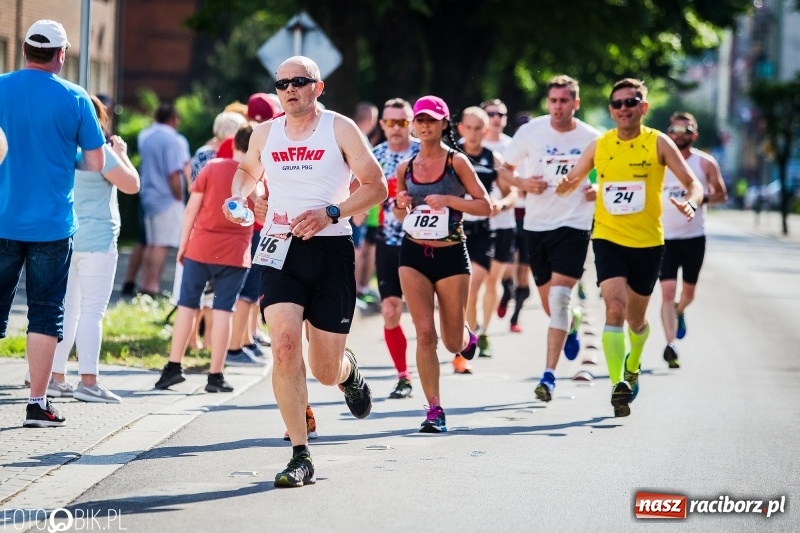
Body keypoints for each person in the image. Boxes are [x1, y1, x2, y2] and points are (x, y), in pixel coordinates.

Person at [226, 56, 387, 488]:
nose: (289, 89)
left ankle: (348, 373)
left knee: (324, 368)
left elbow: (377, 186)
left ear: (318, 87)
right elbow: (246, 171)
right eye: (282, 84)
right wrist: (247, 197)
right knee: (282, 345)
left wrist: (331, 211)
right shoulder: (264, 132)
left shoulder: (340, 128)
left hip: (331, 248)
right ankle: (300, 454)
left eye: (299, 82)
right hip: (279, 248)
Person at [555, 78, 703, 417]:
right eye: (618, 103)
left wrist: (692, 202)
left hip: (648, 243)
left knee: (636, 321)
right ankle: (618, 383)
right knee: (614, 310)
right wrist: (565, 187)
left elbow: (692, 184)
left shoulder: (658, 143)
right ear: (611, 110)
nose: (624, 108)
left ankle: (633, 364)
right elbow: (573, 181)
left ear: (643, 108)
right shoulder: (600, 145)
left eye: (631, 102)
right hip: (608, 238)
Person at [0, 19, 106, 427]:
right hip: (52, 226)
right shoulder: (76, 97)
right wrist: (68, 158)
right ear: (61, 56)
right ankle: (37, 403)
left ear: (24, 49)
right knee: (45, 313)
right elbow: (95, 162)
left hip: (2, 219)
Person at [393, 95, 492, 432]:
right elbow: (396, 212)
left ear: (444, 125)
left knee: (452, 343)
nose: (425, 125)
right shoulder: (404, 168)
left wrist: (449, 200)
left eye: (431, 120)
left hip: (451, 254)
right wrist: (401, 203)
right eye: (420, 120)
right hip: (413, 254)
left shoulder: (457, 163)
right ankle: (434, 409)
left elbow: (486, 206)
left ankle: (467, 336)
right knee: (424, 333)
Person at [503, 75, 601, 402]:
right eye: (553, 100)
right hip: (537, 225)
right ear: (548, 102)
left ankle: (549, 376)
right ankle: (571, 323)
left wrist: (596, 191)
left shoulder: (592, 138)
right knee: (550, 303)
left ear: (576, 102)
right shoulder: (531, 132)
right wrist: (521, 183)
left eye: (564, 101)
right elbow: (503, 167)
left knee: (559, 299)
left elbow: (608, 178)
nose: (558, 106)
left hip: (574, 225)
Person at [49, 96, 140, 403]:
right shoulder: (99, 153)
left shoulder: (61, 150)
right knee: (92, 312)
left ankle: (56, 377)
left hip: (66, 236)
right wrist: (123, 154)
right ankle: (89, 381)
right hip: (98, 241)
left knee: (67, 310)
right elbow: (132, 185)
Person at [155, 125, 256, 393]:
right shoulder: (259, 178)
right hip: (235, 254)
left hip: (200, 248)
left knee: (187, 306)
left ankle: (173, 368)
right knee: (224, 310)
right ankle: (215, 376)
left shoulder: (212, 168)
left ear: (234, 143)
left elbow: (191, 210)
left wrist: (183, 245)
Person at [659, 112, 728, 368]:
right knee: (666, 290)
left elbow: (722, 195)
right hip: (664, 237)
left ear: (694, 135)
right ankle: (670, 344)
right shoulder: (660, 162)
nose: (679, 134)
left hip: (693, 238)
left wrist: (700, 200)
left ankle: (680, 310)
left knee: (688, 293)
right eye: (674, 129)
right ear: (669, 132)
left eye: (685, 130)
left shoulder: (705, 163)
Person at [370, 98, 420, 398]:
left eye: (402, 122)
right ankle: (404, 376)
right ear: (382, 125)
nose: (396, 128)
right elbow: (354, 188)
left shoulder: (424, 153)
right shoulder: (374, 157)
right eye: (390, 122)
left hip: (424, 244)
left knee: (423, 317)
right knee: (390, 311)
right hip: (388, 243)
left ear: (411, 122)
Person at [459, 106, 516, 363]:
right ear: (461, 128)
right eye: (468, 128)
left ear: (486, 130)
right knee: (468, 289)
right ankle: (470, 333)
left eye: (478, 129)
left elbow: (512, 190)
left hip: (485, 229)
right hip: (456, 228)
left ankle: (480, 334)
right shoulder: (452, 153)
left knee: (482, 283)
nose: (472, 134)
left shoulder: (493, 158)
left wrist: (501, 205)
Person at [133, 103, 190, 296]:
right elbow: (174, 173)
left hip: (149, 195)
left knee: (151, 243)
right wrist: (180, 196)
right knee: (162, 244)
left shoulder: (146, 137)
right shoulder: (172, 140)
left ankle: (145, 284)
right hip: (167, 198)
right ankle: (152, 286)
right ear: (173, 119)